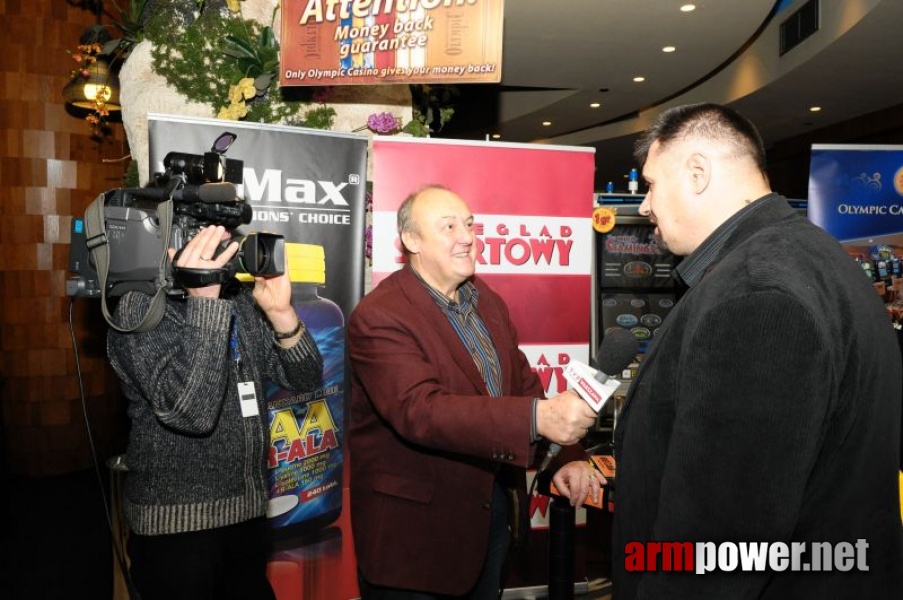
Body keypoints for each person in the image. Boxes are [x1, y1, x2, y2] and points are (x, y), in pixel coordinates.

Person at [554, 103, 903, 598]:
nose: (646, 205)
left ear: (697, 173)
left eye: (652, 184)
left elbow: (716, 547)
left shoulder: (755, 296)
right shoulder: (815, 254)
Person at [348, 184, 597, 599]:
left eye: (468, 224)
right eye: (448, 226)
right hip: (415, 542)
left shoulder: (486, 302)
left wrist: (565, 456)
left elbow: (521, 381)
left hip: (490, 522)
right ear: (411, 241)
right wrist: (538, 418)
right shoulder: (380, 316)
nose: (466, 236)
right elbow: (420, 411)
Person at [107, 224, 323, 600]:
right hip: (176, 530)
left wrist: (281, 313)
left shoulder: (239, 300)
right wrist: (204, 303)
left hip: (248, 517)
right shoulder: (138, 307)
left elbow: (306, 379)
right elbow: (191, 413)